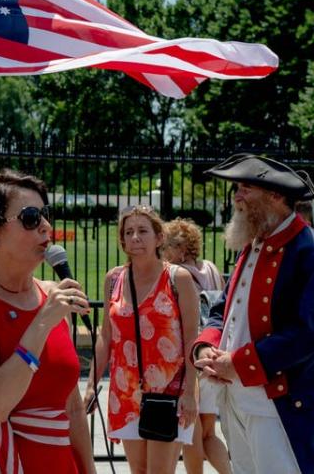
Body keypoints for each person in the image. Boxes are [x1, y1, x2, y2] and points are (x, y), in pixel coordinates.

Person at [0, 170, 94, 474]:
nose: (46, 227)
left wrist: (89, 470)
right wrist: (42, 323)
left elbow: (73, 407)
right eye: (31, 217)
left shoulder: (51, 295)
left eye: (45, 215)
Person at [193, 154, 314, 474]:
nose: (237, 196)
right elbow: (223, 309)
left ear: (275, 196)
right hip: (234, 398)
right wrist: (206, 346)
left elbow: (306, 333)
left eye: (245, 188)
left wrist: (238, 363)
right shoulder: (254, 245)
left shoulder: (306, 249)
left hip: (276, 405)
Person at [84, 206, 200, 474]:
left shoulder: (177, 278)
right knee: (138, 470)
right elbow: (106, 336)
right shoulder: (114, 279)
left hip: (169, 391)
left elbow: (192, 337)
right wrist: (91, 384)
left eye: (143, 231)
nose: (135, 237)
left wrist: (190, 392)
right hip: (125, 392)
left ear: (159, 238)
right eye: (129, 232)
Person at [161, 218, 231, 474]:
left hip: (190, 357)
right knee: (209, 433)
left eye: (166, 246)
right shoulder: (211, 269)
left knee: (190, 431)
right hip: (212, 351)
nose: (162, 251)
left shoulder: (176, 275)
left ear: (180, 249)